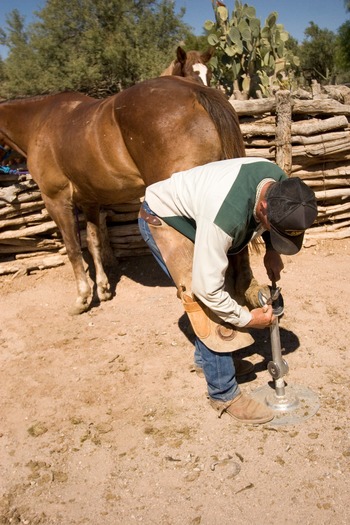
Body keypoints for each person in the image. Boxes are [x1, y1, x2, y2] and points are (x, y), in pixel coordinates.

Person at [138, 157, 318, 425]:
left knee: (225, 284)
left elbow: (266, 221)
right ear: (264, 206)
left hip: (202, 216)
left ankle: (206, 362)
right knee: (205, 303)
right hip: (163, 218)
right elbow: (206, 290)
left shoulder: (283, 186)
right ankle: (223, 393)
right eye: (274, 228)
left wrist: (272, 249)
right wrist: (248, 320)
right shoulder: (225, 216)